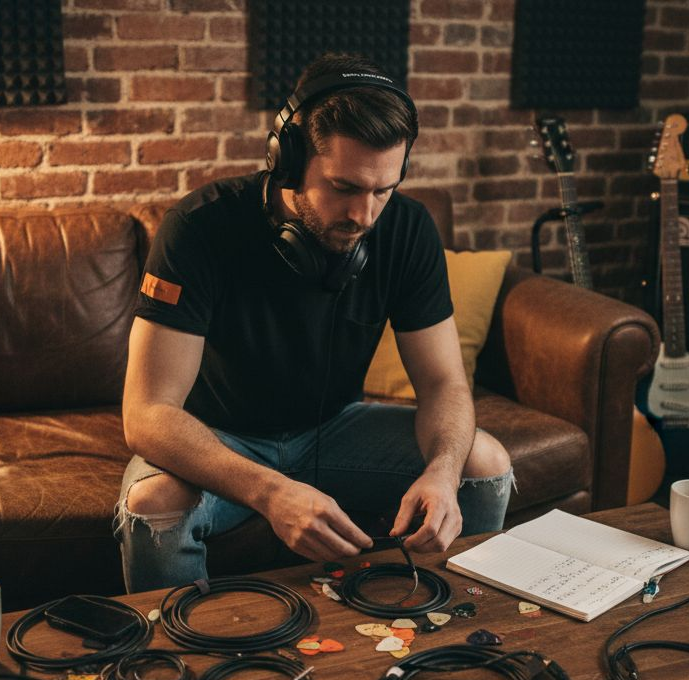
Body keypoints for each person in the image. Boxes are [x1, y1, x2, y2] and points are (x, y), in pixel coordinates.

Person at [115, 52, 513, 592]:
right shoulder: (198, 228)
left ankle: (445, 626)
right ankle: (184, 667)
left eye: (383, 190)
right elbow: (147, 413)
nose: (364, 215)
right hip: (220, 437)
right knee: (153, 503)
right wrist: (272, 491)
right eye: (344, 187)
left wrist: (443, 472)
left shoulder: (408, 229)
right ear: (288, 158)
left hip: (335, 428)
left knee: (482, 462)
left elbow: (444, 382)